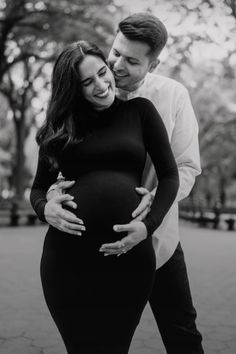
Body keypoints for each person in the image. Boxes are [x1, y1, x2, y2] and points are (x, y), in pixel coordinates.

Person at [46, 12, 204, 354]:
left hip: (158, 239)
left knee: (182, 333)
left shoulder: (172, 96)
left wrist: (154, 203)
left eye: (131, 61)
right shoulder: (87, 93)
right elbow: (64, 156)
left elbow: (186, 167)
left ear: (153, 63)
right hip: (90, 251)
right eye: (115, 52)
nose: (116, 66)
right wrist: (49, 198)